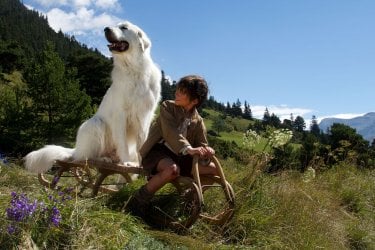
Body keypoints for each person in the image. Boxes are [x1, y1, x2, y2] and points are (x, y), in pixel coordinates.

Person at [128, 75, 218, 218]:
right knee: (172, 170)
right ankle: (138, 200)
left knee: (213, 169)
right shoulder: (168, 107)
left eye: (182, 92)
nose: (176, 93)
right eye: (178, 89)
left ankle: (189, 200)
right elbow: (171, 132)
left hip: (181, 156)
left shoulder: (198, 120)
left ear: (194, 100)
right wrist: (188, 148)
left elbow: (202, 143)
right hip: (158, 151)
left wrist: (207, 150)